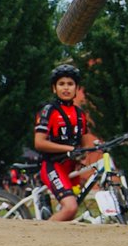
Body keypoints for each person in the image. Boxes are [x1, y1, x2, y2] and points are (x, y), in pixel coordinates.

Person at [33, 63, 94, 222]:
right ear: (54, 88)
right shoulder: (49, 110)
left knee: (72, 211)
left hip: (71, 167)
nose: (66, 88)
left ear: (77, 88)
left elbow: (85, 138)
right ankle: (40, 238)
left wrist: (84, 155)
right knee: (70, 208)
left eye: (70, 84)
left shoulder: (80, 114)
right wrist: (70, 148)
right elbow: (39, 143)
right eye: (61, 84)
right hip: (53, 165)